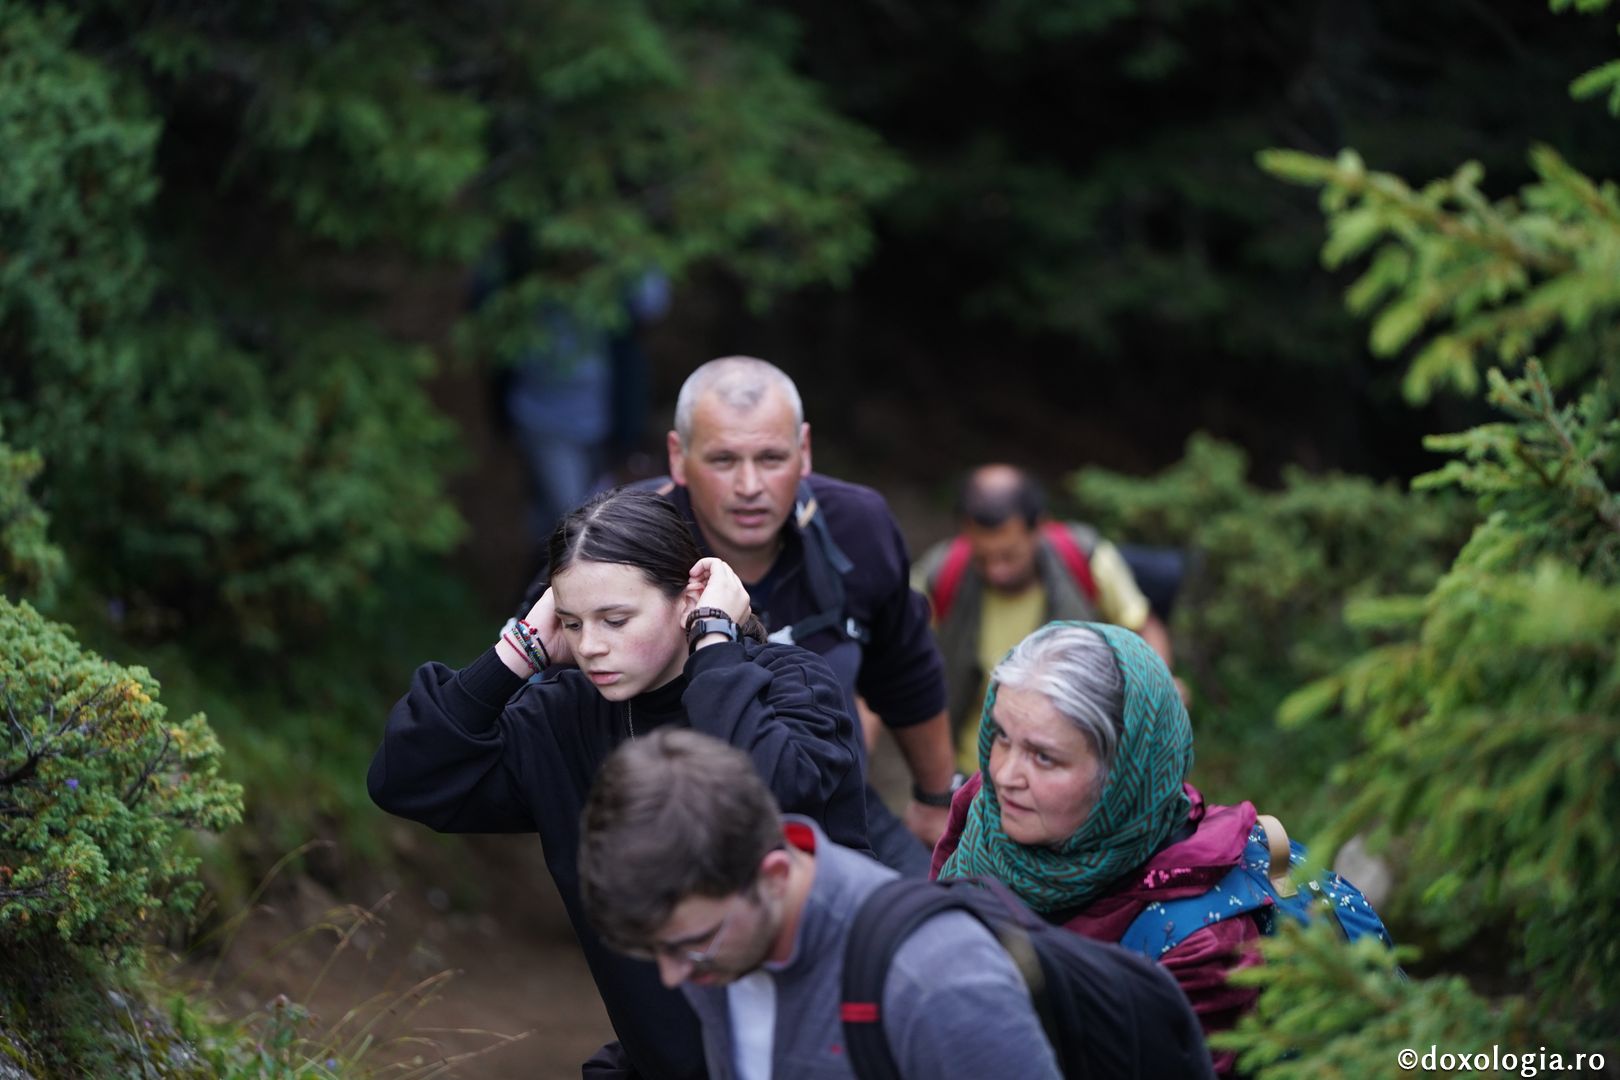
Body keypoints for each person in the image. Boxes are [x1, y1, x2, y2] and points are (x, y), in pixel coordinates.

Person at [368, 487, 868, 1080]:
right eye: (573, 623)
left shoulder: (788, 684)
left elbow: (772, 795)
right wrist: (518, 651)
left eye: (615, 619)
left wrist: (713, 642)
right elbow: (406, 778)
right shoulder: (564, 716)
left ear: (687, 598)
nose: (590, 647)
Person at [578, 727, 1063, 1080]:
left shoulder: (937, 982)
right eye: (654, 950)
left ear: (774, 876)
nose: (672, 976)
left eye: (694, 943)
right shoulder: (715, 945)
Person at [660, 356, 960, 873]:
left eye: (772, 458)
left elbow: (906, 673)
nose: (749, 485)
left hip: (835, 809)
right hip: (683, 826)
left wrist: (936, 802)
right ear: (678, 457)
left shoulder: (858, 528)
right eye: (724, 460)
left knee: (949, 929)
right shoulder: (623, 544)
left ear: (804, 451)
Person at [931, 621, 1255, 1078]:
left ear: (1121, 775)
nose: (1004, 775)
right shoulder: (988, 814)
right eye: (1002, 736)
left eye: (1044, 757)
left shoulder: (1201, 946)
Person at [914, 464, 1177, 772]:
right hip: (972, 772)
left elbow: (1144, 627)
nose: (996, 569)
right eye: (982, 558)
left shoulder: (1085, 559)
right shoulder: (941, 573)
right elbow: (887, 652)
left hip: (1071, 770)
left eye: (1008, 555)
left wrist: (1160, 688)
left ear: (1038, 527)